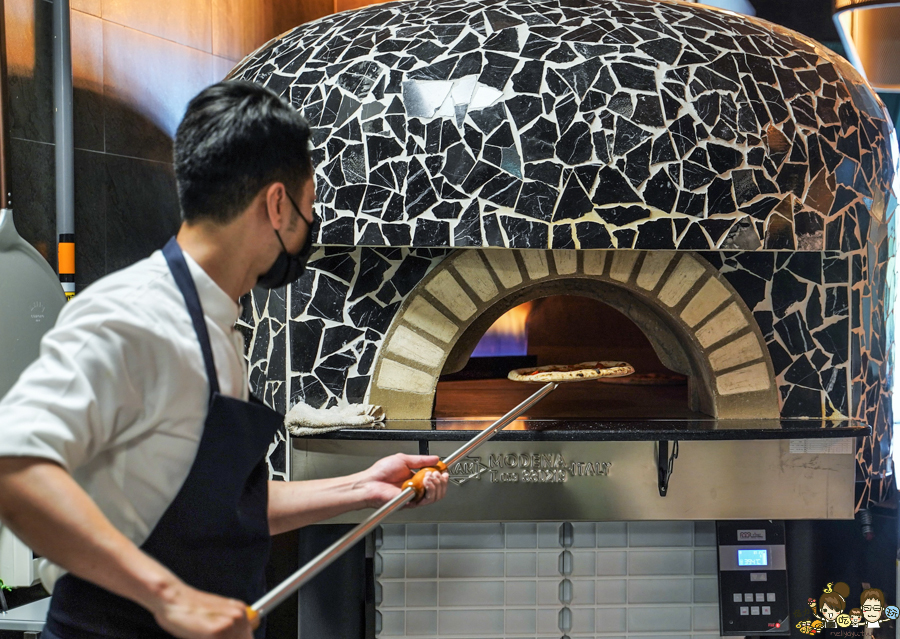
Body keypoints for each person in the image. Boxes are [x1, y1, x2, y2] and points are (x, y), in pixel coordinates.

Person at [0, 80, 449, 639]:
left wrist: (362, 489)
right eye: (310, 209)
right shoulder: (130, 316)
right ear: (278, 204)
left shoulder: (220, 322)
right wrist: (169, 597)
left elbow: (218, 515)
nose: (309, 231)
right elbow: (14, 467)